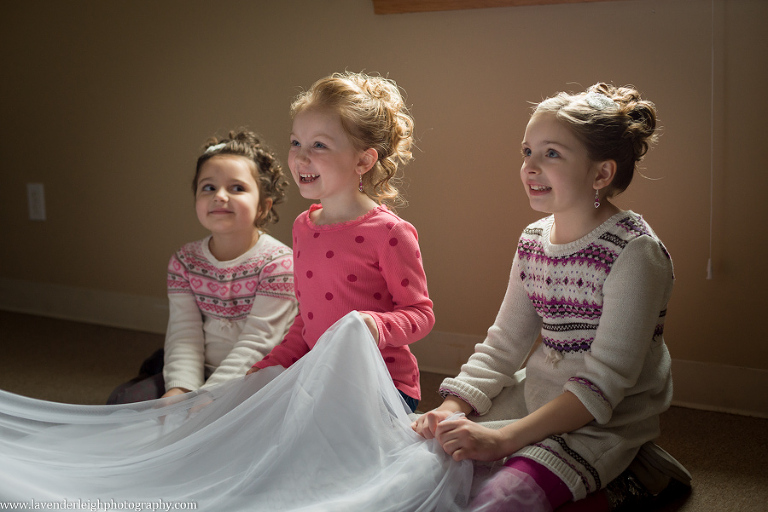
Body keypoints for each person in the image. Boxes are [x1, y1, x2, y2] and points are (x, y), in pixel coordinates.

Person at [412, 83, 690, 511]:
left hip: (606, 415)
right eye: (527, 152)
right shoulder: (533, 241)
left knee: (501, 499)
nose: (530, 167)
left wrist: (503, 437)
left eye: (551, 154)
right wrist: (453, 405)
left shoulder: (635, 254)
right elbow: (505, 342)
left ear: (601, 174)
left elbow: (603, 385)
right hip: (538, 393)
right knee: (433, 462)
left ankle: (634, 474)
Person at [247, 72, 434, 413]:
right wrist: (266, 370)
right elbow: (308, 319)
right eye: (295, 143)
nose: (301, 158)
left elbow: (420, 314)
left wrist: (375, 325)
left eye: (319, 145)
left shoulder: (389, 233)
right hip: (322, 377)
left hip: (383, 385)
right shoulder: (304, 227)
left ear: (363, 160)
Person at [107, 130, 297, 404]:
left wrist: (211, 395)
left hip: (255, 374)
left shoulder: (278, 263)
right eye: (208, 187)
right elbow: (184, 332)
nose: (220, 196)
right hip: (200, 367)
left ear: (263, 207)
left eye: (237, 188)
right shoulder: (185, 261)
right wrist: (180, 389)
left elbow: (258, 343)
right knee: (125, 401)